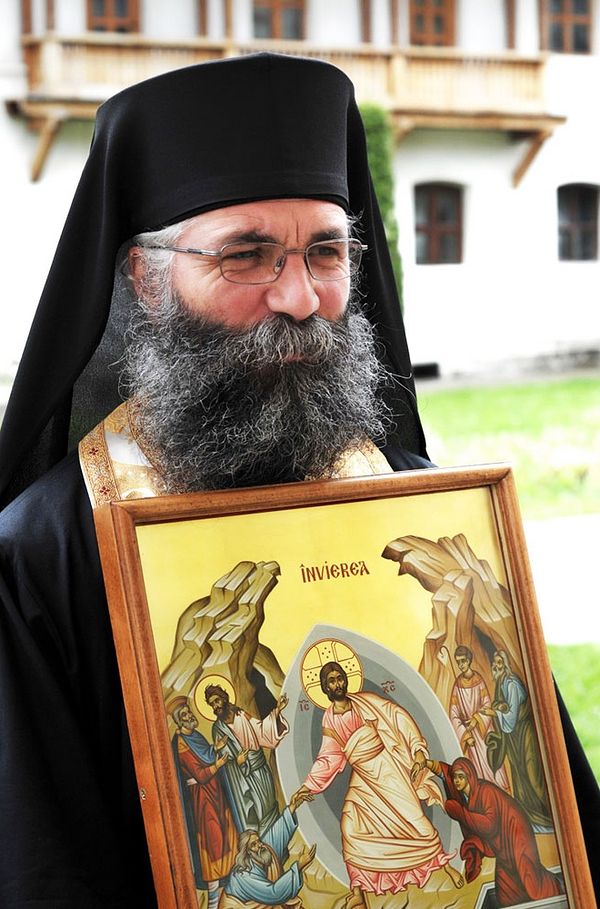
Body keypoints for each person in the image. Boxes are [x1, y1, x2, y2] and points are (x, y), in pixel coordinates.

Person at [0, 53, 596, 908]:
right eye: (247, 255)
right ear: (145, 280)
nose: (301, 298)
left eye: (325, 251)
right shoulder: (42, 557)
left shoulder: (427, 504)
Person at [295, 661, 463, 908]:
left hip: (386, 768)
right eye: (331, 681)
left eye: (340, 678)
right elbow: (329, 757)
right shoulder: (329, 720)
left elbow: (397, 716)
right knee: (350, 827)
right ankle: (358, 891)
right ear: (324, 687)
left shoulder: (365, 703)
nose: (337, 684)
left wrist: (417, 748)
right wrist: (308, 786)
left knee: (414, 818)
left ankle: (445, 866)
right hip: (362, 777)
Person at [429, 757, 563, 908]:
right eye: (455, 777)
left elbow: (489, 825)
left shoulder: (485, 791)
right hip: (501, 842)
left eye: (461, 777)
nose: (456, 781)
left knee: (530, 876)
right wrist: (427, 764)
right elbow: (446, 772)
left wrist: (460, 813)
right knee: (506, 891)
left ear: (470, 776)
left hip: (516, 832)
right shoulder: (466, 795)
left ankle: (558, 888)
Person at [168, 696, 237, 908]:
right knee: (212, 843)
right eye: (185, 715)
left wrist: (215, 747)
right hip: (202, 800)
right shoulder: (181, 743)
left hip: (215, 795)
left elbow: (204, 754)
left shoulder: (194, 735)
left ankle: (231, 893)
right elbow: (199, 773)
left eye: (189, 712)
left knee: (227, 837)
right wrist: (218, 764)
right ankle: (213, 901)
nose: (190, 716)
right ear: (179, 721)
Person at [205, 684, 289, 836]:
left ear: (224, 698)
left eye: (217, 701)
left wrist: (277, 711)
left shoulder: (240, 714)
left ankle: (279, 843)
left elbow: (260, 730)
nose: (215, 706)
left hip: (261, 768)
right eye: (212, 704)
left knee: (271, 806)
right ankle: (267, 844)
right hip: (245, 778)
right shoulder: (218, 729)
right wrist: (237, 762)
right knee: (260, 812)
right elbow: (224, 760)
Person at [484, 650, 554, 831]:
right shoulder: (501, 683)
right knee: (519, 775)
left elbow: (511, 717)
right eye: (495, 663)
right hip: (514, 739)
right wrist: (498, 708)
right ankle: (531, 819)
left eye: (500, 663)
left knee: (531, 774)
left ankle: (546, 818)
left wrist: (494, 712)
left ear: (505, 665)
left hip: (524, 735)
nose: (496, 666)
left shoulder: (511, 684)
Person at [221, 791, 315, 909]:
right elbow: (273, 894)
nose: (260, 845)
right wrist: (299, 866)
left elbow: (279, 832)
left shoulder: (263, 852)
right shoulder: (243, 875)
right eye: (254, 844)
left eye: (258, 841)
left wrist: (292, 806)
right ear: (247, 852)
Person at [449, 645, 510, 789]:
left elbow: (487, 704)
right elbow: (453, 714)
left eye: (463, 661)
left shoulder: (479, 680)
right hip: (470, 734)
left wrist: (476, 719)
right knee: (476, 769)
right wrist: (465, 735)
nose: (461, 665)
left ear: (469, 660)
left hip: (484, 731)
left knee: (491, 765)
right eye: (458, 662)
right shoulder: (457, 685)